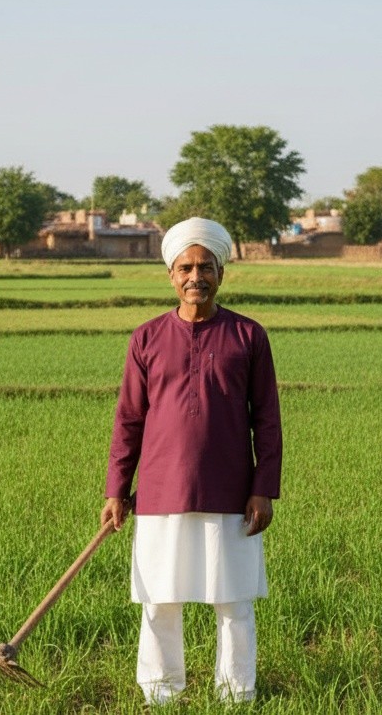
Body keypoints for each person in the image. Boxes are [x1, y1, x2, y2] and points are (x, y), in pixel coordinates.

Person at [101, 217, 282, 705]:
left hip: (232, 492)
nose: (195, 277)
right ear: (171, 275)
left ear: (221, 273)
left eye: (205, 267)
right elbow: (129, 420)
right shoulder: (146, 338)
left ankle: (237, 694)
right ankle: (160, 694)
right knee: (159, 600)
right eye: (185, 268)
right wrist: (116, 489)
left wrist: (263, 488)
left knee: (233, 600)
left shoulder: (248, 335)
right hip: (160, 492)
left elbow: (267, 419)